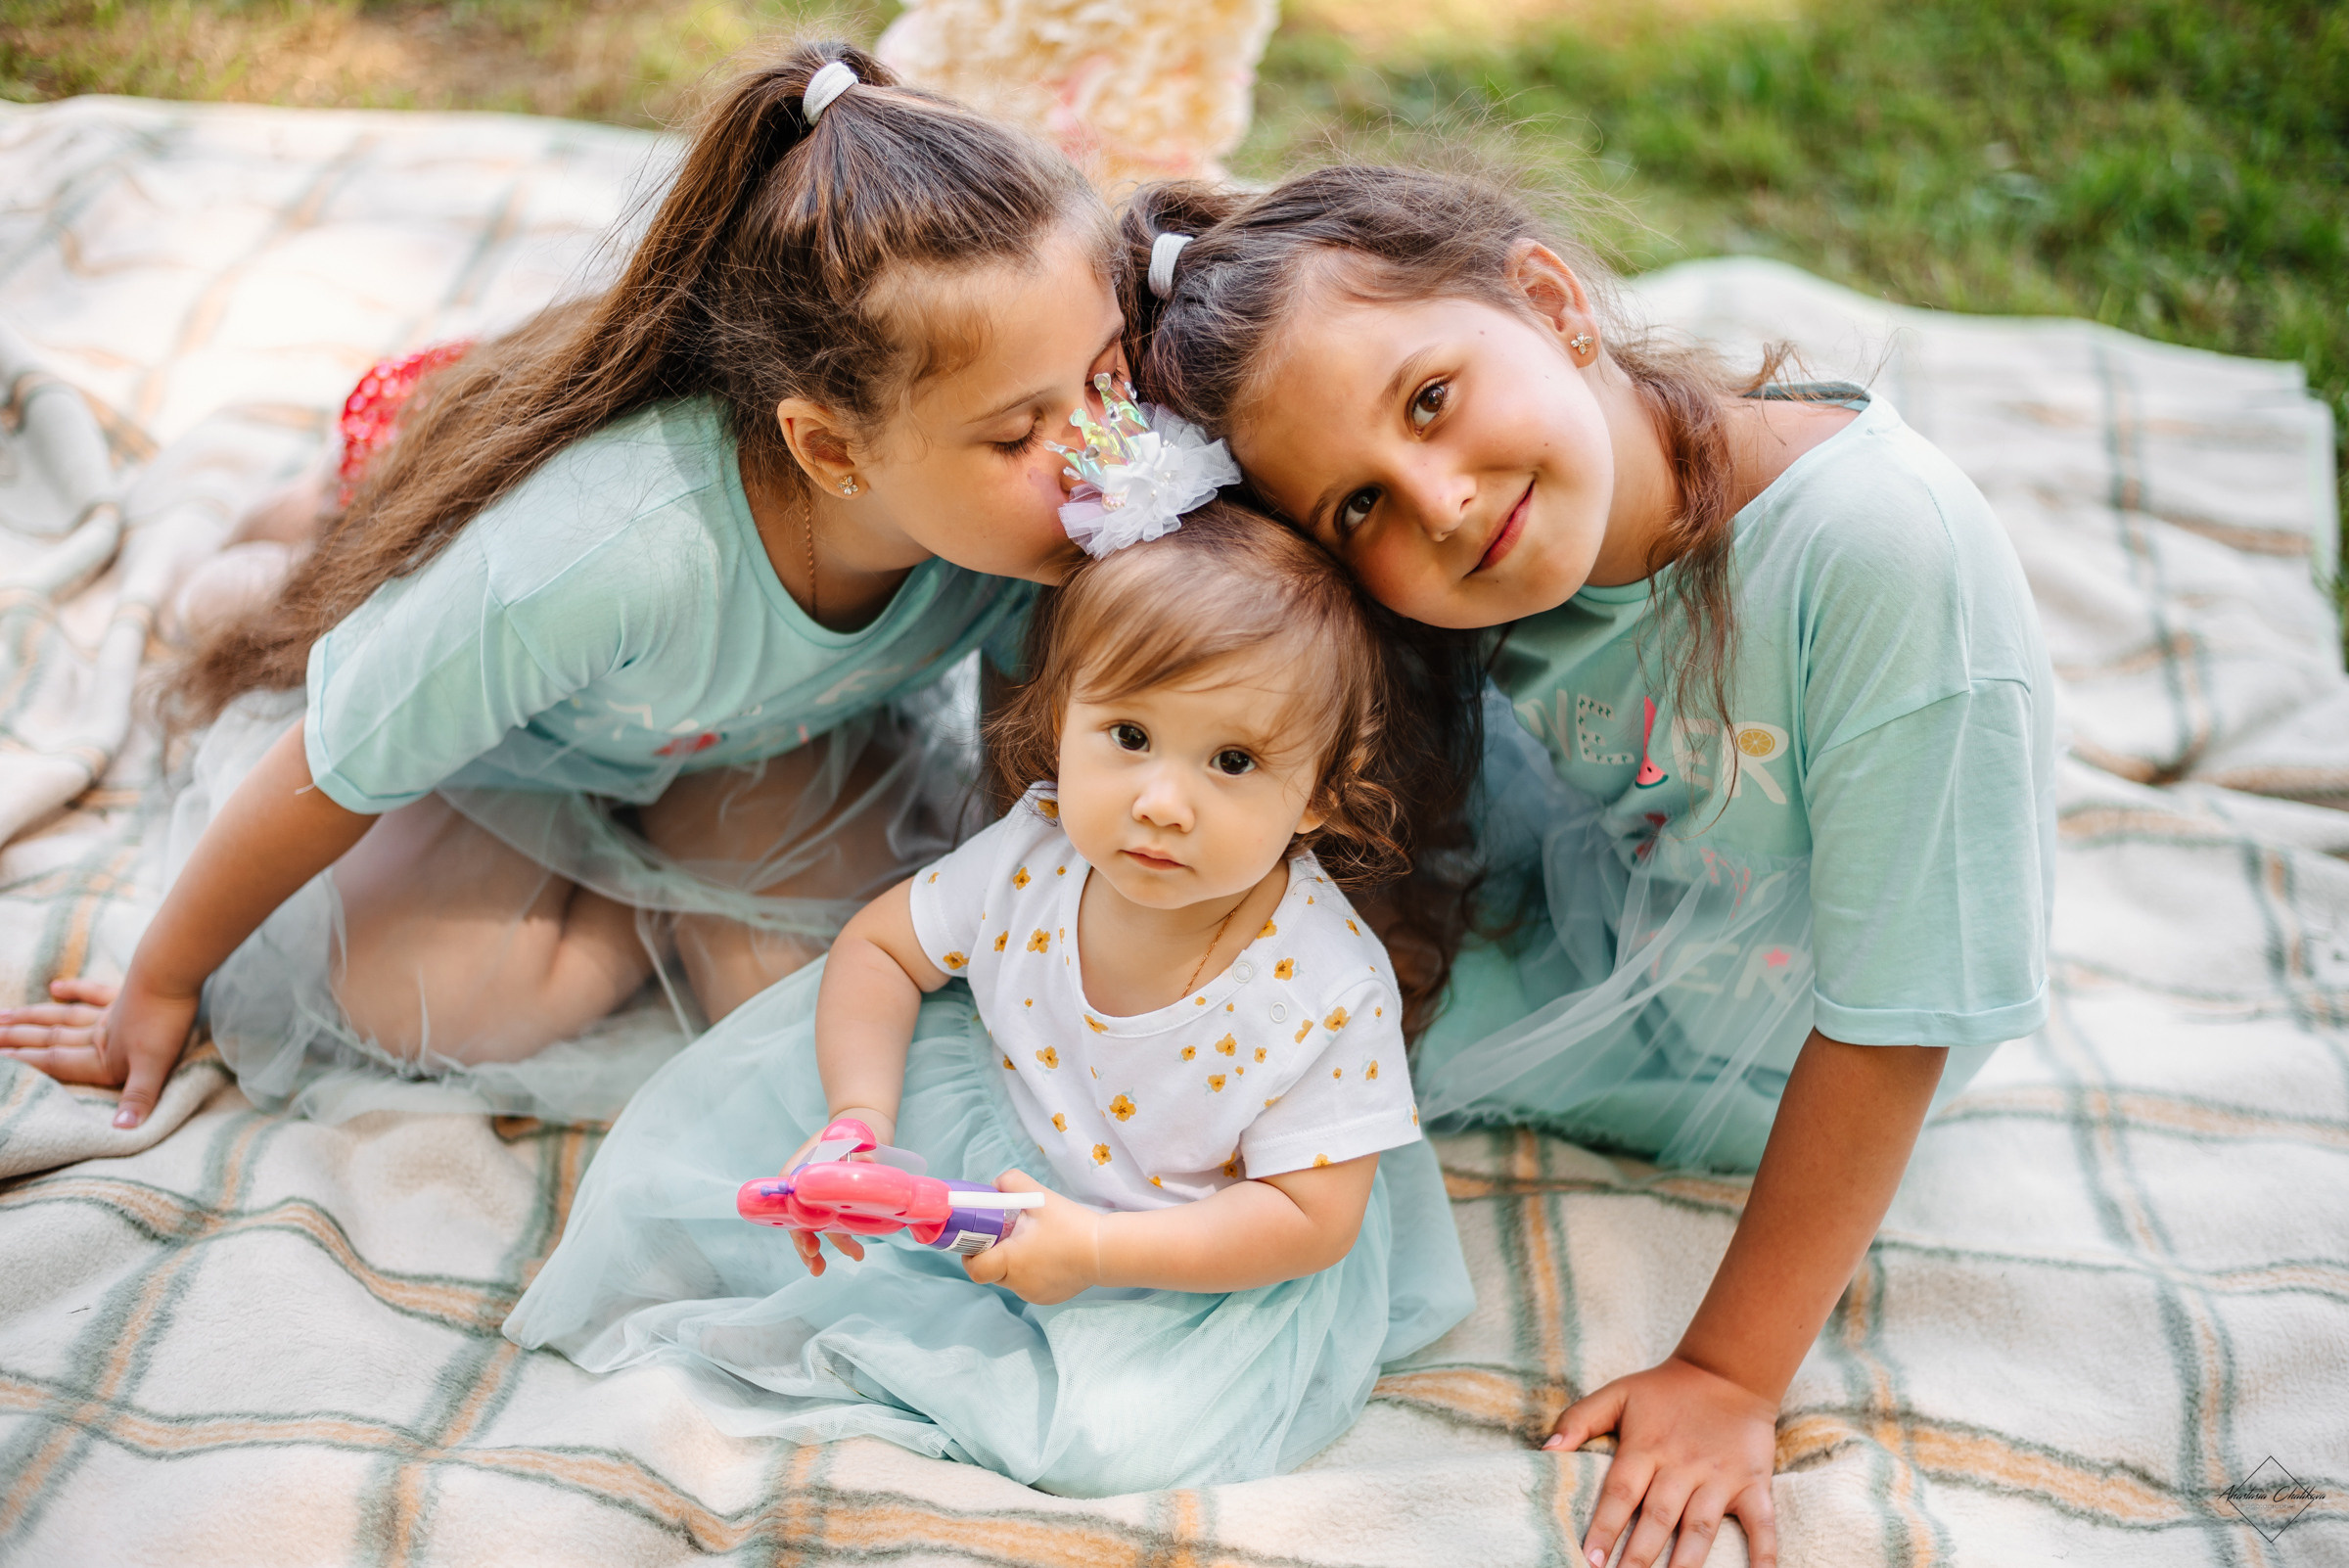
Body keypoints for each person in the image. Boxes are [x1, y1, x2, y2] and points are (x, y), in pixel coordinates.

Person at [1118, 166, 2055, 1566]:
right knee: (1162, 947)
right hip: (1620, 875)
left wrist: (1731, 1375)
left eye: (1430, 396)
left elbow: (1903, 1012)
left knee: (1241, 1087)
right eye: (1358, 506)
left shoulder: (1881, 558)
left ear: (1553, 301)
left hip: (1763, 1033)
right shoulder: (1526, 549)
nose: (1438, 501)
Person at [0, 42, 1134, 1128]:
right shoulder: (609, 552)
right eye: (1020, 431)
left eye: (1105, 374)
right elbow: (338, 759)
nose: (1096, 451)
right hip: (523, 726)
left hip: (746, 730)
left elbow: (1019, 780)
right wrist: (160, 984)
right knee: (425, 991)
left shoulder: (1044, 545)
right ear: (833, 453)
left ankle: (681, 846)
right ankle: (296, 532)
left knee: (828, 975)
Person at [503, 498, 1475, 1497]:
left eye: (1233, 761)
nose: (1161, 802)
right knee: (762, 1224)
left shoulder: (1322, 990)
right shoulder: (1037, 854)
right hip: (1011, 1134)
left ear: (1318, 791)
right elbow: (882, 949)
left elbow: (1308, 1220)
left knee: (1110, 1442)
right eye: (1130, 734)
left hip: (1189, 1240)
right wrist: (858, 1121)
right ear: (1063, 722)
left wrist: (1098, 1248)